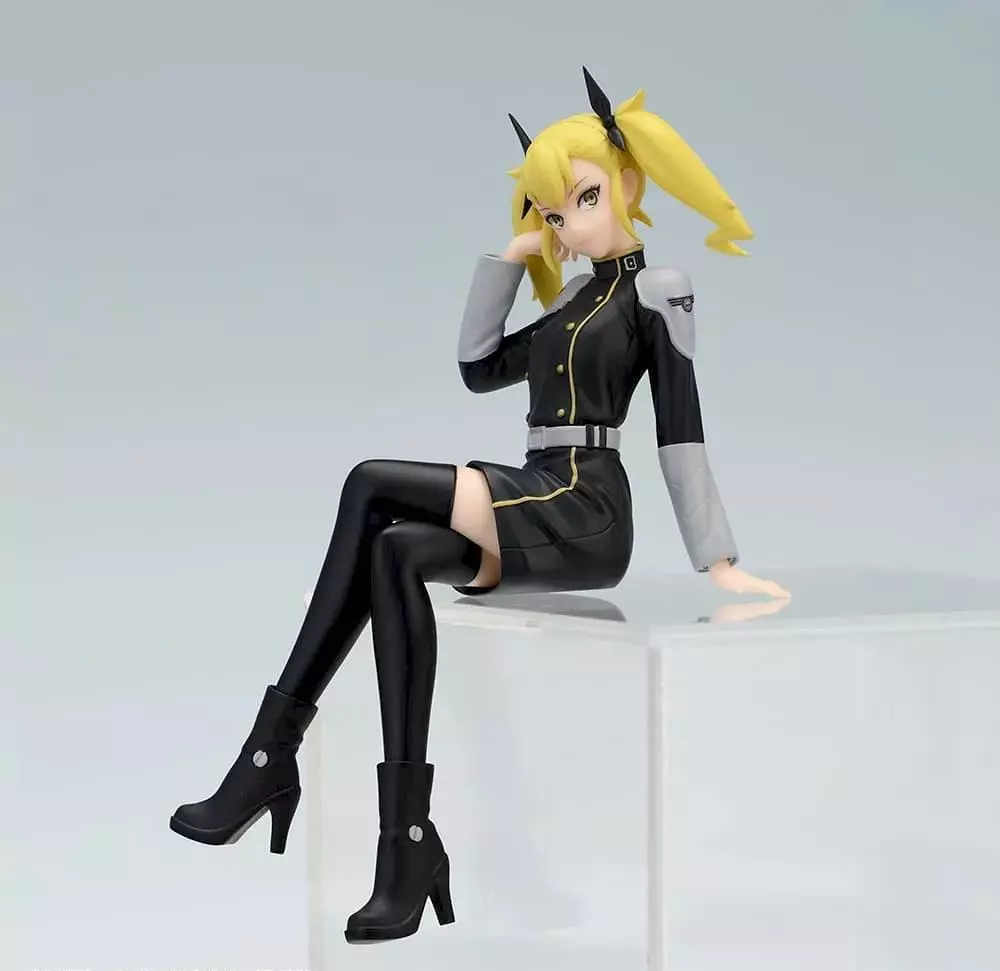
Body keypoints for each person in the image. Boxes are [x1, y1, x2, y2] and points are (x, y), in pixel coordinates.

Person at [169, 66, 790, 945]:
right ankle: (408, 844)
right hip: (532, 490)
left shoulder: (657, 291)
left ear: (627, 183)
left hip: (585, 505)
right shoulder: (569, 299)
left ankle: (268, 755)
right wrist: (511, 257)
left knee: (369, 480)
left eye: (582, 199)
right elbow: (478, 367)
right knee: (393, 553)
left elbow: (680, 429)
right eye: (554, 213)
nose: (569, 224)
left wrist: (718, 560)